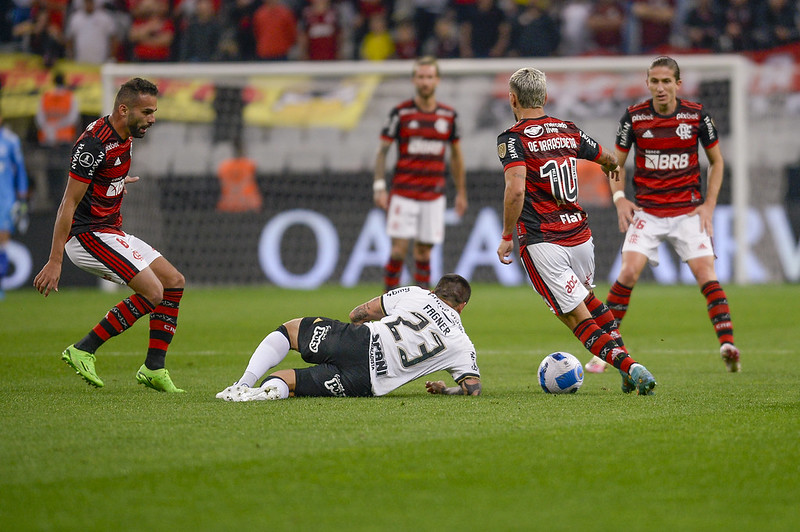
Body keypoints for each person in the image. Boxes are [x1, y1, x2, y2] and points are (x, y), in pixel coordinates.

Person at [496, 66, 657, 395]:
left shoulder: (512, 139)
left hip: (544, 241)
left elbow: (515, 190)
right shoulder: (568, 130)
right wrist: (613, 170)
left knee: (576, 318)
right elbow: (609, 159)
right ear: (544, 96)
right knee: (591, 302)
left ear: (512, 98)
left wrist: (505, 236)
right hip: (581, 236)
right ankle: (626, 364)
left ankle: (630, 367)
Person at [33, 77, 186, 393]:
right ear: (123, 108)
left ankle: (154, 368)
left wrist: (115, 182)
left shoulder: (126, 133)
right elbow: (68, 202)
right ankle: (83, 349)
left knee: (174, 282)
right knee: (153, 293)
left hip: (110, 231)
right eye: (147, 112)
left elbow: (102, 175)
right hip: (86, 236)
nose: (152, 119)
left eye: (154, 112)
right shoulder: (93, 146)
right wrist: (54, 259)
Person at [602, 56, 740, 375]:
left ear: (678, 84)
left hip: (688, 210)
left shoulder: (696, 116)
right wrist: (620, 198)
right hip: (647, 212)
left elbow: (717, 162)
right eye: (655, 81)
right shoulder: (634, 118)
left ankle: (727, 344)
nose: (660, 87)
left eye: (667, 81)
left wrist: (709, 205)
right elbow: (615, 165)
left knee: (706, 274)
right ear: (647, 83)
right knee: (628, 273)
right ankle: (606, 349)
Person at [216, 273, 480, 401]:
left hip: (359, 341)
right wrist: (445, 389)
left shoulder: (417, 294)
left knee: (292, 330)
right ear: (462, 307)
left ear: (435, 291)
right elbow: (472, 389)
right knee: (291, 382)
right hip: (366, 384)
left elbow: (357, 314)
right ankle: (262, 394)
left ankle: (242, 383)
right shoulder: (462, 343)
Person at [373, 56, 467, 293]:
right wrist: (379, 186)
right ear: (414, 80)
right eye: (421, 77)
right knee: (398, 250)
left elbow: (456, 156)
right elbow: (382, 151)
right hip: (404, 192)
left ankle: (421, 307)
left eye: (429, 77)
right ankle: (387, 305)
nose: (425, 82)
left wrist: (461, 193)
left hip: (433, 195)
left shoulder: (449, 116)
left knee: (424, 252)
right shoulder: (401, 113)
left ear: (437, 80)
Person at [0, 110, 29, 301]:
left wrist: (23, 197)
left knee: (2, 241)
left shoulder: (10, 140)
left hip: (4, 199)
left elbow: (20, 169)